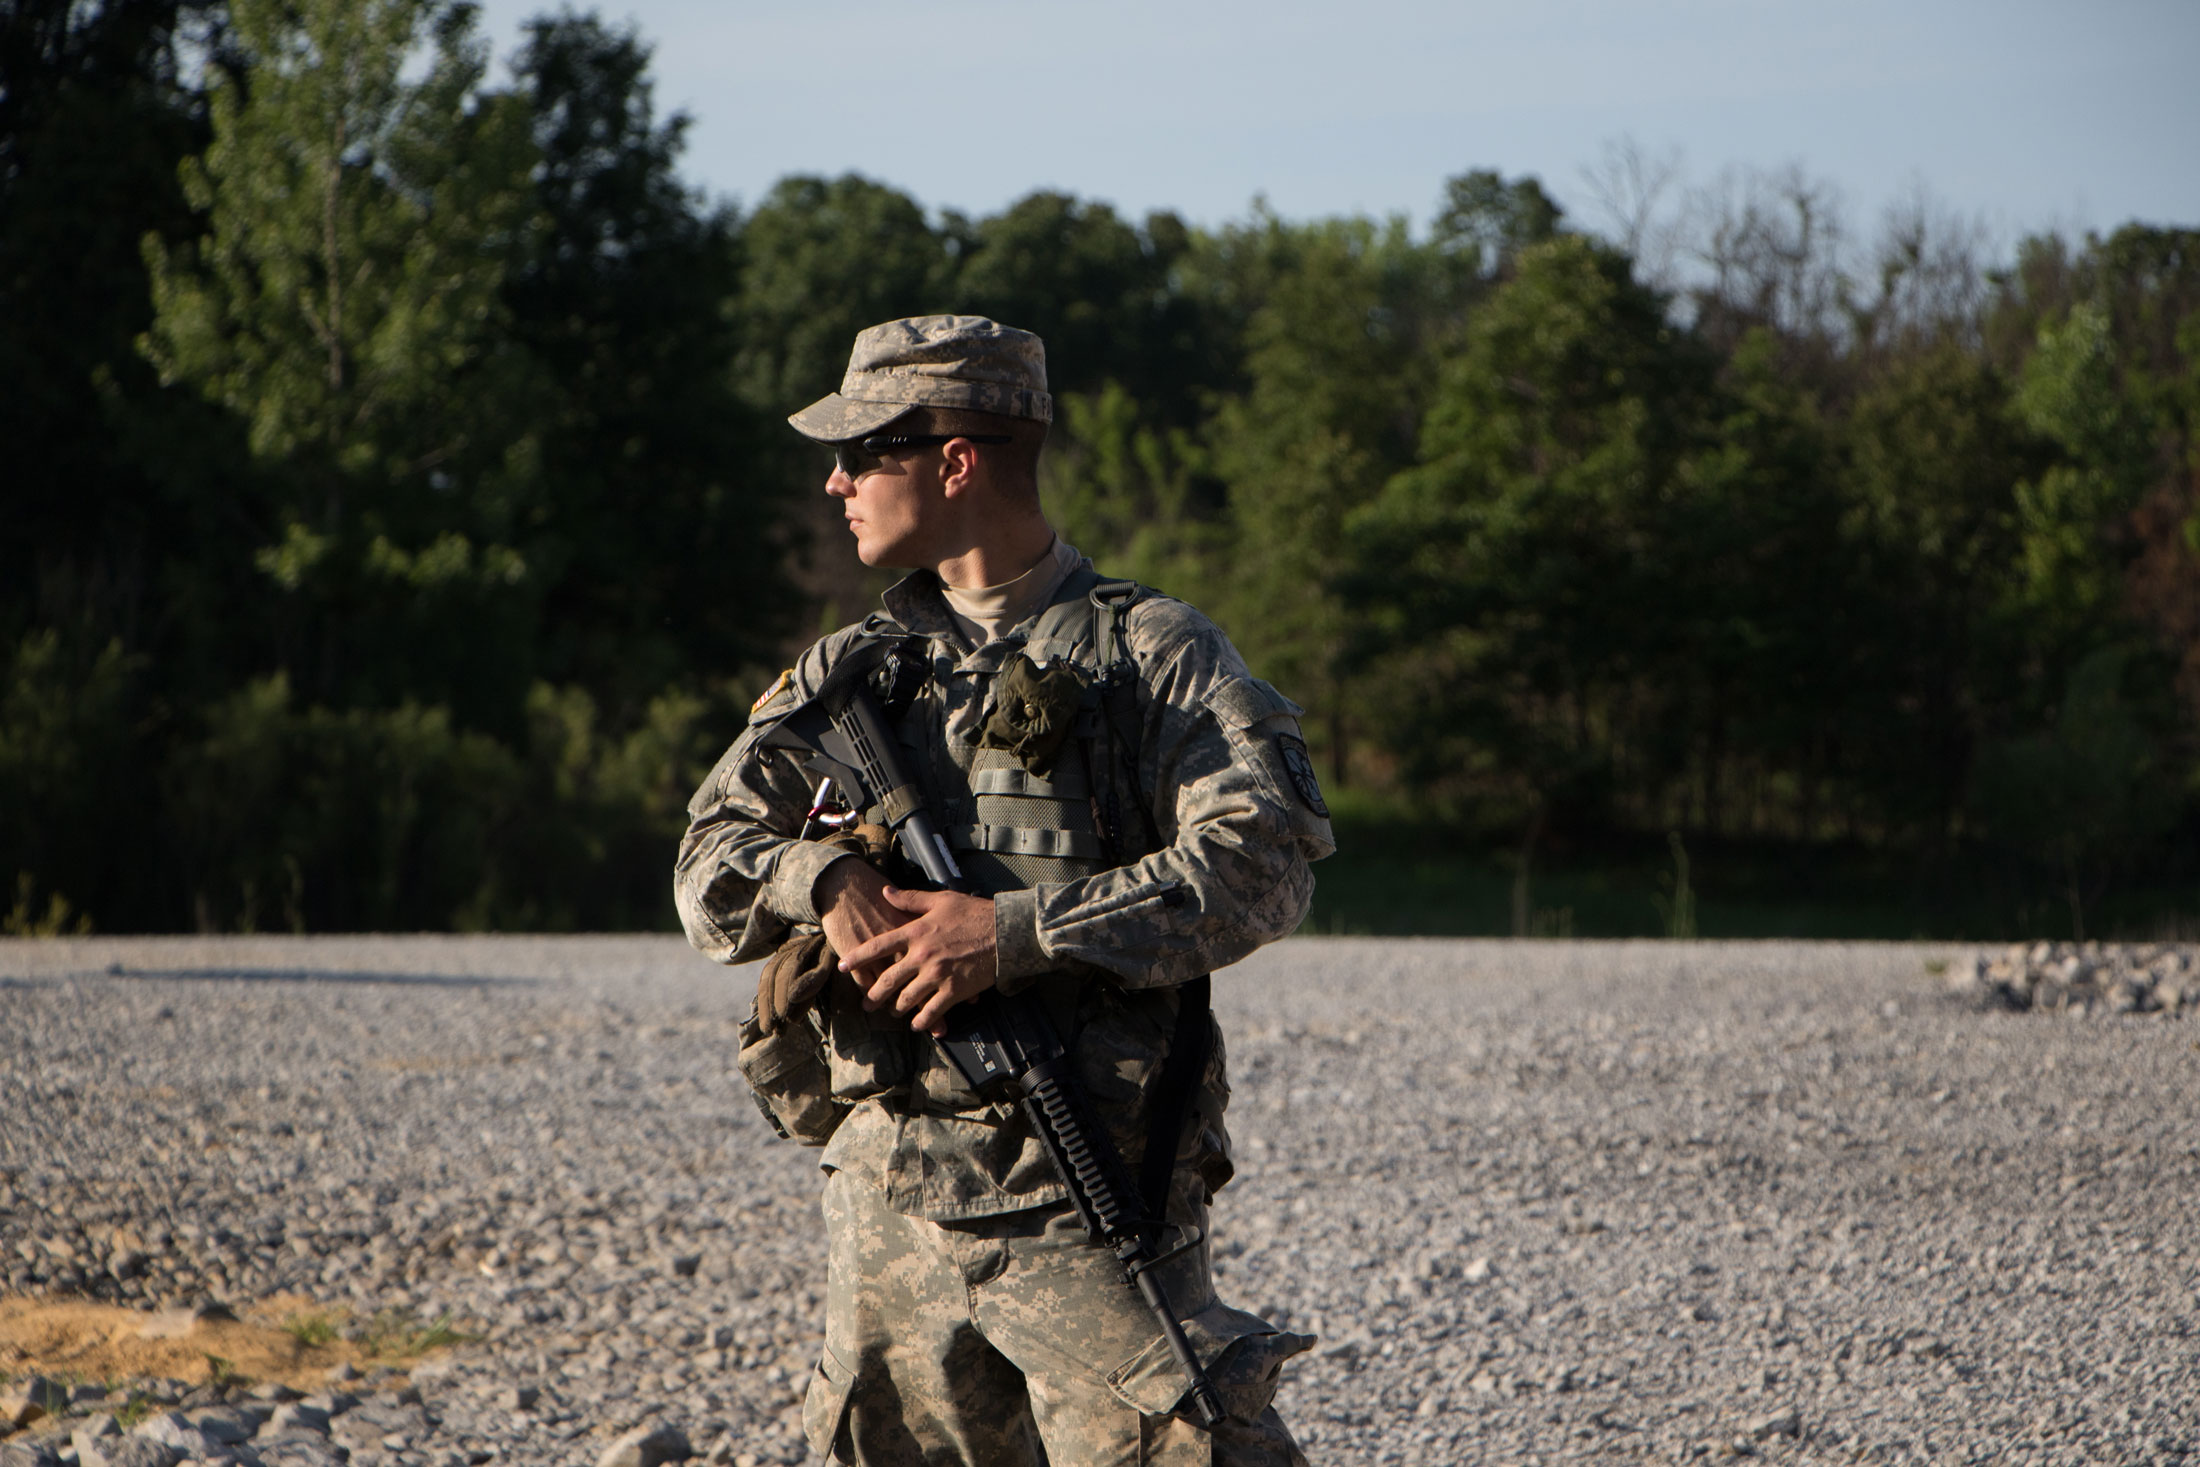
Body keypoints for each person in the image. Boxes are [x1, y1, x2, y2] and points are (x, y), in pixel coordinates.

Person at [675, 315, 1334, 1466]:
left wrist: (1013, 934)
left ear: (955, 460)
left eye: (862, 450)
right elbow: (705, 858)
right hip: (888, 1205)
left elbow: (1265, 862)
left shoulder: (1152, 658)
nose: (835, 481)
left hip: (1087, 1194)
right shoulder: (855, 672)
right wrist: (820, 873)